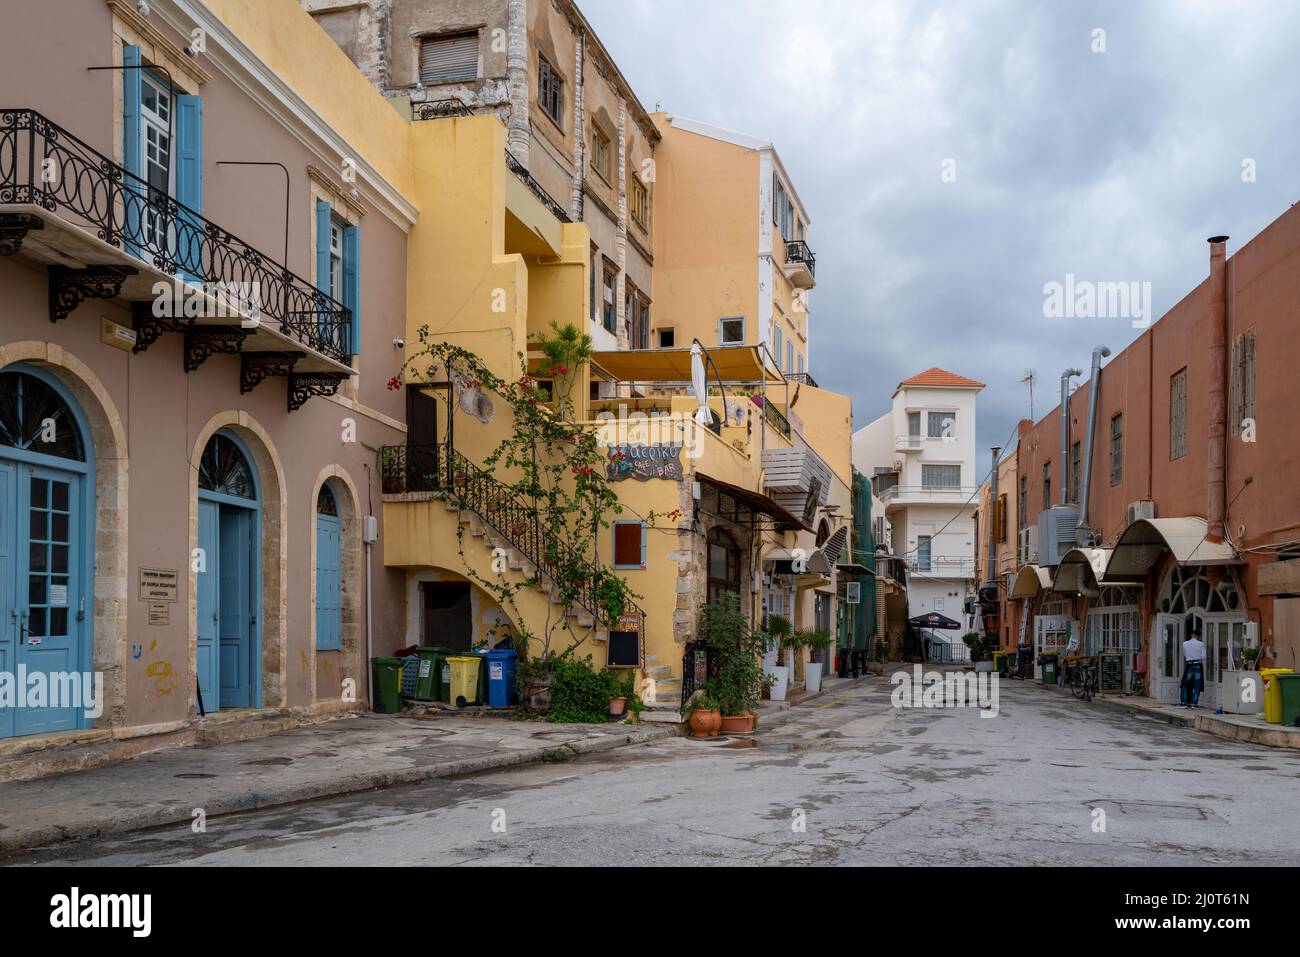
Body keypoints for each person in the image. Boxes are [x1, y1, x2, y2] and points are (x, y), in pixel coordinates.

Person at [1180, 629, 1206, 708]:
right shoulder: (1201, 644)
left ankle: (1184, 701)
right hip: (1197, 665)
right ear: (1198, 636)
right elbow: (1203, 656)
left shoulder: (1185, 643)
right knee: (1197, 684)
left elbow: (1184, 654)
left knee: (1185, 683)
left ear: (1192, 635)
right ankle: (1194, 703)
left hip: (1189, 665)